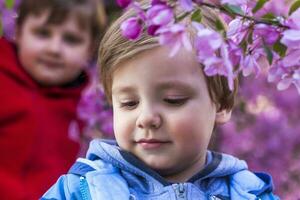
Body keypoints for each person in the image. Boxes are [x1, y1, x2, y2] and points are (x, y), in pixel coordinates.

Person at [41, 1, 279, 199]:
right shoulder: (82, 190)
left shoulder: (250, 193)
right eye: (129, 103)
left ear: (223, 103)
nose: (146, 118)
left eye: (173, 100)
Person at [0, 0, 104, 199]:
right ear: (18, 32)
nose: (54, 49)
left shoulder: (91, 110)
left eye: (71, 39)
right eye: (42, 33)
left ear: (90, 49)